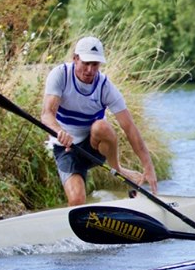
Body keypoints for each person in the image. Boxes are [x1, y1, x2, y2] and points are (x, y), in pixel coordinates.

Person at [41, 36, 157, 206]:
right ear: (75, 59)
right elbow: (47, 114)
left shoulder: (104, 87)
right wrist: (59, 131)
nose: (90, 70)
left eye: (95, 64)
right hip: (66, 147)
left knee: (101, 126)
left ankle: (116, 169)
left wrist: (148, 166)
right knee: (76, 200)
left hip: (93, 145)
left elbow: (129, 127)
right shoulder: (60, 75)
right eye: (86, 63)